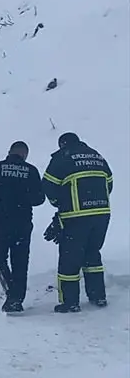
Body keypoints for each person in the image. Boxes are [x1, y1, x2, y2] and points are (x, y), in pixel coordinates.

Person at [42, 132, 113, 313]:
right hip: (102, 214)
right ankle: (98, 296)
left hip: (75, 216)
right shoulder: (97, 156)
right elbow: (109, 183)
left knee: (69, 258)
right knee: (92, 254)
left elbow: (48, 186)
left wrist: (60, 204)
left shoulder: (62, 158)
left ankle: (70, 302)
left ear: (63, 144)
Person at [0, 140, 46, 313]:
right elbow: (39, 198)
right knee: (21, 262)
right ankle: (17, 299)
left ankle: (11, 293)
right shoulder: (31, 171)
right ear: (25, 154)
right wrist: (23, 200)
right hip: (22, 224)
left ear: (10, 152)